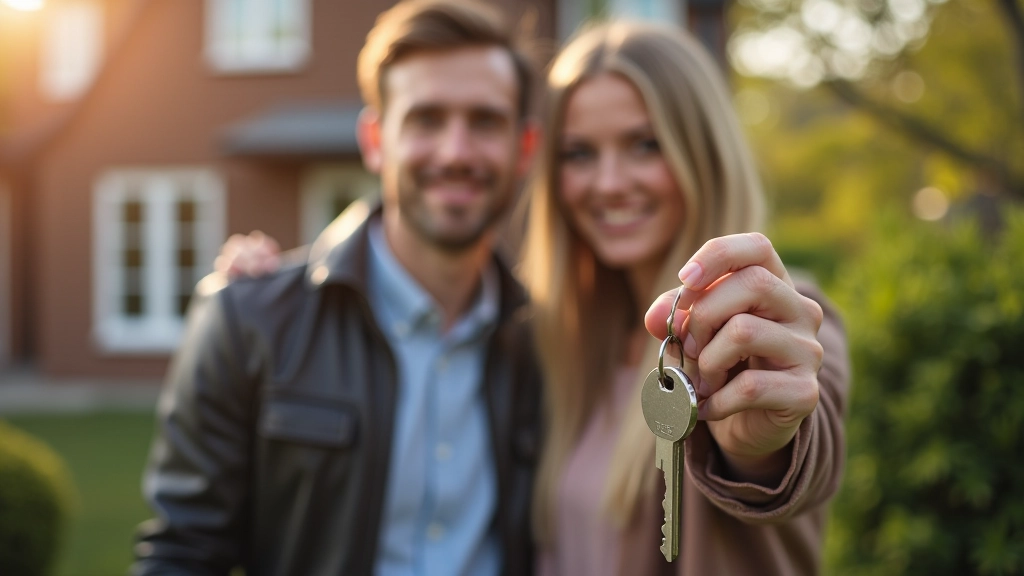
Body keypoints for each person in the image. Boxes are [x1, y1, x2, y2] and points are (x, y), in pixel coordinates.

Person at [213, 16, 849, 576]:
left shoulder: (763, 323)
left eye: (644, 144)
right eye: (579, 153)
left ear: (703, 152)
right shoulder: (546, 338)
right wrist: (279, 289)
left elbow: (793, 441)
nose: (609, 183)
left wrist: (763, 444)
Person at [132, 1, 543, 574]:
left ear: (524, 147)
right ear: (375, 141)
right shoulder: (249, 321)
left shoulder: (548, 345)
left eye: (485, 121)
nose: (456, 152)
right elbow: (183, 555)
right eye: (426, 119)